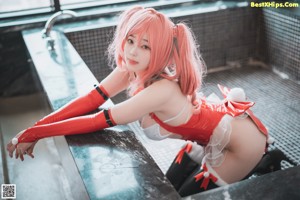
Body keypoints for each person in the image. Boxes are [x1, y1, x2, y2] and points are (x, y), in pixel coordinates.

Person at [6, 6, 279, 197]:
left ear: (160, 51)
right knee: (168, 188)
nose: (133, 51)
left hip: (241, 145)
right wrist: (34, 128)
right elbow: (92, 100)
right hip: (209, 135)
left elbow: (95, 120)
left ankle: (263, 162)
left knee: (186, 196)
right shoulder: (133, 66)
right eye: (130, 40)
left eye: (146, 46)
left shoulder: (161, 89)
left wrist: (35, 133)